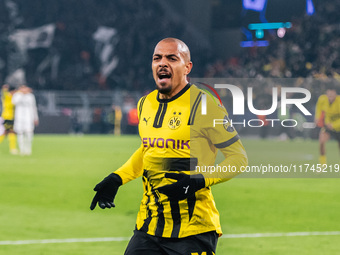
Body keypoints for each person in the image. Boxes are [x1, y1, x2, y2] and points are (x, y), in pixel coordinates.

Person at [90, 38, 248, 254]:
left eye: (172, 58)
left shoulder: (205, 106)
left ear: (187, 67)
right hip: (149, 226)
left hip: (193, 230)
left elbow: (238, 159)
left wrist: (198, 180)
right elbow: (149, 149)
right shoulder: (146, 103)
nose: (162, 63)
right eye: (157, 58)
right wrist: (118, 178)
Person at [315, 84, 340, 164]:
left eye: (332, 95)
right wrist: (317, 118)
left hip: (338, 127)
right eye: (328, 95)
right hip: (328, 126)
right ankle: (322, 163)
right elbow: (319, 109)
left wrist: (334, 125)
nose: (330, 97)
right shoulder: (322, 99)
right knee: (321, 141)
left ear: (335, 94)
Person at [11, 85, 39, 155]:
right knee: (20, 133)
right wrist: (22, 95)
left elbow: (34, 107)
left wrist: (36, 118)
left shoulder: (30, 96)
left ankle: (28, 149)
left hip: (29, 117)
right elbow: (14, 102)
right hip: (19, 117)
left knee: (29, 132)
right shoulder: (17, 95)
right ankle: (21, 149)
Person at [0, 84, 18, 154]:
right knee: (9, 132)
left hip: (10, 117)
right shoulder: (8, 96)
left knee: (7, 132)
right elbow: (4, 93)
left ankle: (13, 148)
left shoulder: (12, 97)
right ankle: (13, 149)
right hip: (7, 117)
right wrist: (4, 88)